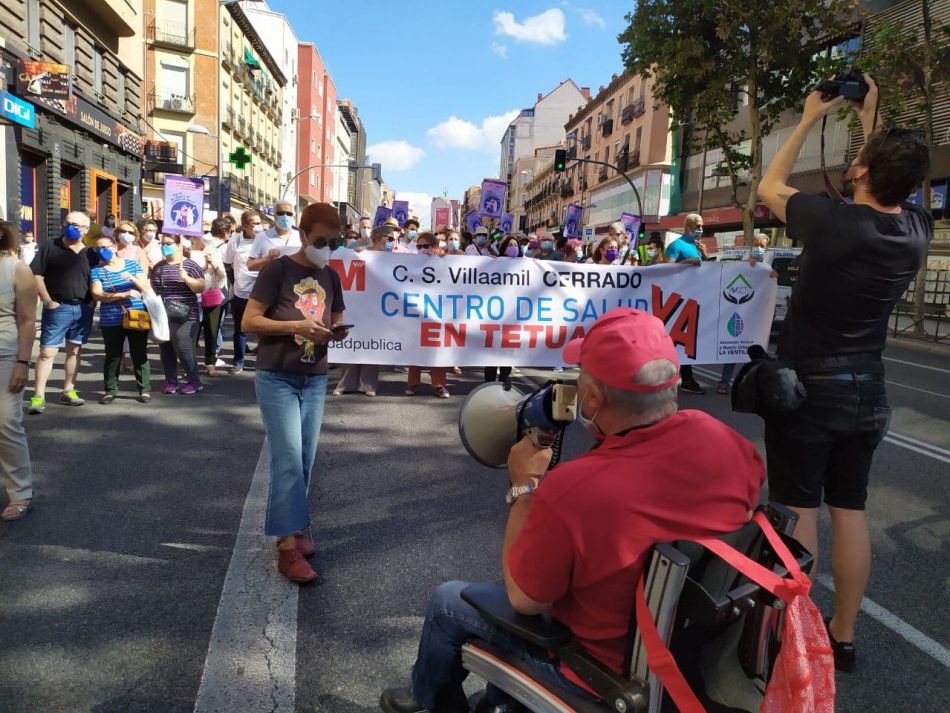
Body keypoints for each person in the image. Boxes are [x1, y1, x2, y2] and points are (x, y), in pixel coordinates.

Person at [379, 308, 764, 713]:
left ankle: (430, 700)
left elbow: (525, 599)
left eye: (580, 374)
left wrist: (524, 489)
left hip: (598, 672)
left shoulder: (577, 489)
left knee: (447, 601)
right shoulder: (730, 444)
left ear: (595, 398)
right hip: (694, 656)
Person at [758, 74, 932, 672]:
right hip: (870, 391)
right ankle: (844, 634)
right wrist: (872, 115)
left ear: (859, 173)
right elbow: (889, 175)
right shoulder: (915, 231)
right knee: (850, 510)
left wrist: (808, 119)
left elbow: (768, 184)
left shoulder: (830, 223)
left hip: (810, 388)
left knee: (798, 510)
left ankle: (796, 632)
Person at [242, 202, 347, 583]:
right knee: (287, 458)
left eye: (334, 242)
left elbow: (335, 316)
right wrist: (296, 327)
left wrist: (336, 329)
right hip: (278, 376)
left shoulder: (331, 276)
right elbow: (249, 321)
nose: (327, 248)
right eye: (321, 241)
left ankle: (293, 528)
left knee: (304, 460)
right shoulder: (278, 270)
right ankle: (287, 548)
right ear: (302, 235)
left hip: (314, 377)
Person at [28, 212, 97, 414]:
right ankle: (38, 396)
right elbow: (37, 274)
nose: (70, 227)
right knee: (47, 352)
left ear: (86, 229)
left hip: (83, 308)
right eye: (68, 223)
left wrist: (92, 303)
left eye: (76, 225)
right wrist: (48, 300)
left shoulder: (91, 253)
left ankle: (69, 390)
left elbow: (97, 277)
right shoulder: (50, 245)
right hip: (58, 307)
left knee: (74, 350)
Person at [0, 222, 38, 522]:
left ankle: (20, 492)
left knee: (6, 424)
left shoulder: (17, 269)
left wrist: (23, 363)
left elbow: (27, 321)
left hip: (6, 356)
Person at [89, 233, 151, 403]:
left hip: (137, 315)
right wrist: (123, 294)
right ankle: (110, 390)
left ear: (115, 248)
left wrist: (132, 279)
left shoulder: (132, 265)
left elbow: (146, 287)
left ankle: (144, 389)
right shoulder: (96, 271)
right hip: (111, 318)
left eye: (105, 247)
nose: (102, 251)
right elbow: (97, 294)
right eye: (98, 249)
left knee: (139, 353)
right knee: (113, 355)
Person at [333, 226, 392, 397]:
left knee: (372, 342)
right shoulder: (360, 252)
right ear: (379, 237)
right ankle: (345, 383)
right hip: (357, 303)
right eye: (389, 238)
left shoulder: (394, 257)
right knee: (352, 340)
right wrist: (356, 253)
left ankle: (368, 384)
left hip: (378, 306)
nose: (391, 241)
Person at [717, 234, 777, 394]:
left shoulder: (767, 269)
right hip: (739, 314)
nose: (758, 248)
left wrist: (772, 277)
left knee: (757, 351)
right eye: (756, 244)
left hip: (757, 318)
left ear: (767, 249)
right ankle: (724, 382)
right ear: (751, 245)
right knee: (735, 348)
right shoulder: (741, 265)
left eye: (762, 246)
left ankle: (755, 386)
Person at [151, 234, 205, 395]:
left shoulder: (190, 266)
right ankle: (171, 380)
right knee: (166, 347)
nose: (164, 246)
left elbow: (201, 287)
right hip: (165, 313)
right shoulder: (158, 267)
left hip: (187, 313)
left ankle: (194, 381)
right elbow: (154, 289)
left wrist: (187, 279)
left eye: (168, 243)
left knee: (183, 344)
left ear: (178, 245)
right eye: (162, 243)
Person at [664, 214, 707, 394]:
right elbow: (665, 269)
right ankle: (672, 377)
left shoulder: (696, 247)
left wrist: (705, 254)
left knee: (688, 340)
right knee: (675, 339)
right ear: (688, 227)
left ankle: (686, 377)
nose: (700, 229)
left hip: (694, 297)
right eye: (697, 226)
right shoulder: (676, 246)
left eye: (702, 226)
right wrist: (688, 262)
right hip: (677, 299)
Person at [405, 232, 451, 399]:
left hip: (437, 313)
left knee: (437, 349)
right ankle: (412, 383)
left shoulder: (445, 262)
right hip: (416, 313)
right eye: (419, 246)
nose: (422, 249)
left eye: (426, 246)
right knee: (415, 347)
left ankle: (439, 385)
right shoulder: (410, 263)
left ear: (435, 247)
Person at [224, 210, 265, 374]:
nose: (258, 226)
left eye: (259, 222)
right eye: (255, 223)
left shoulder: (266, 240)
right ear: (246, 226)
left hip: (262, 294)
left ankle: (262, 362)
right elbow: (227, 263)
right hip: (241, 293)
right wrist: (235, 282)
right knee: (240, 329)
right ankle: (238, 361)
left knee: (263, 330)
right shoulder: (236, 240)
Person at [190, 236, 228, 377]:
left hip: (211, 296)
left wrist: (214, 265)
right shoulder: (187, 253)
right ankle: (190, 365)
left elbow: (222, 277)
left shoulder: (213, 253)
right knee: (192, 332)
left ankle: (210, 363)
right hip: (193, 298)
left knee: (211, 331)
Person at [247, 201, 301, 272]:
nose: (285, 216)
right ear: (275, 216)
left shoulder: (300, 237)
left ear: (292, 216)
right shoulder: (262, 237)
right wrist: (267, 259)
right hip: (270, 282)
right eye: (281, 213)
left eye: (289, 214)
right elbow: (250, 266)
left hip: (294, 282)